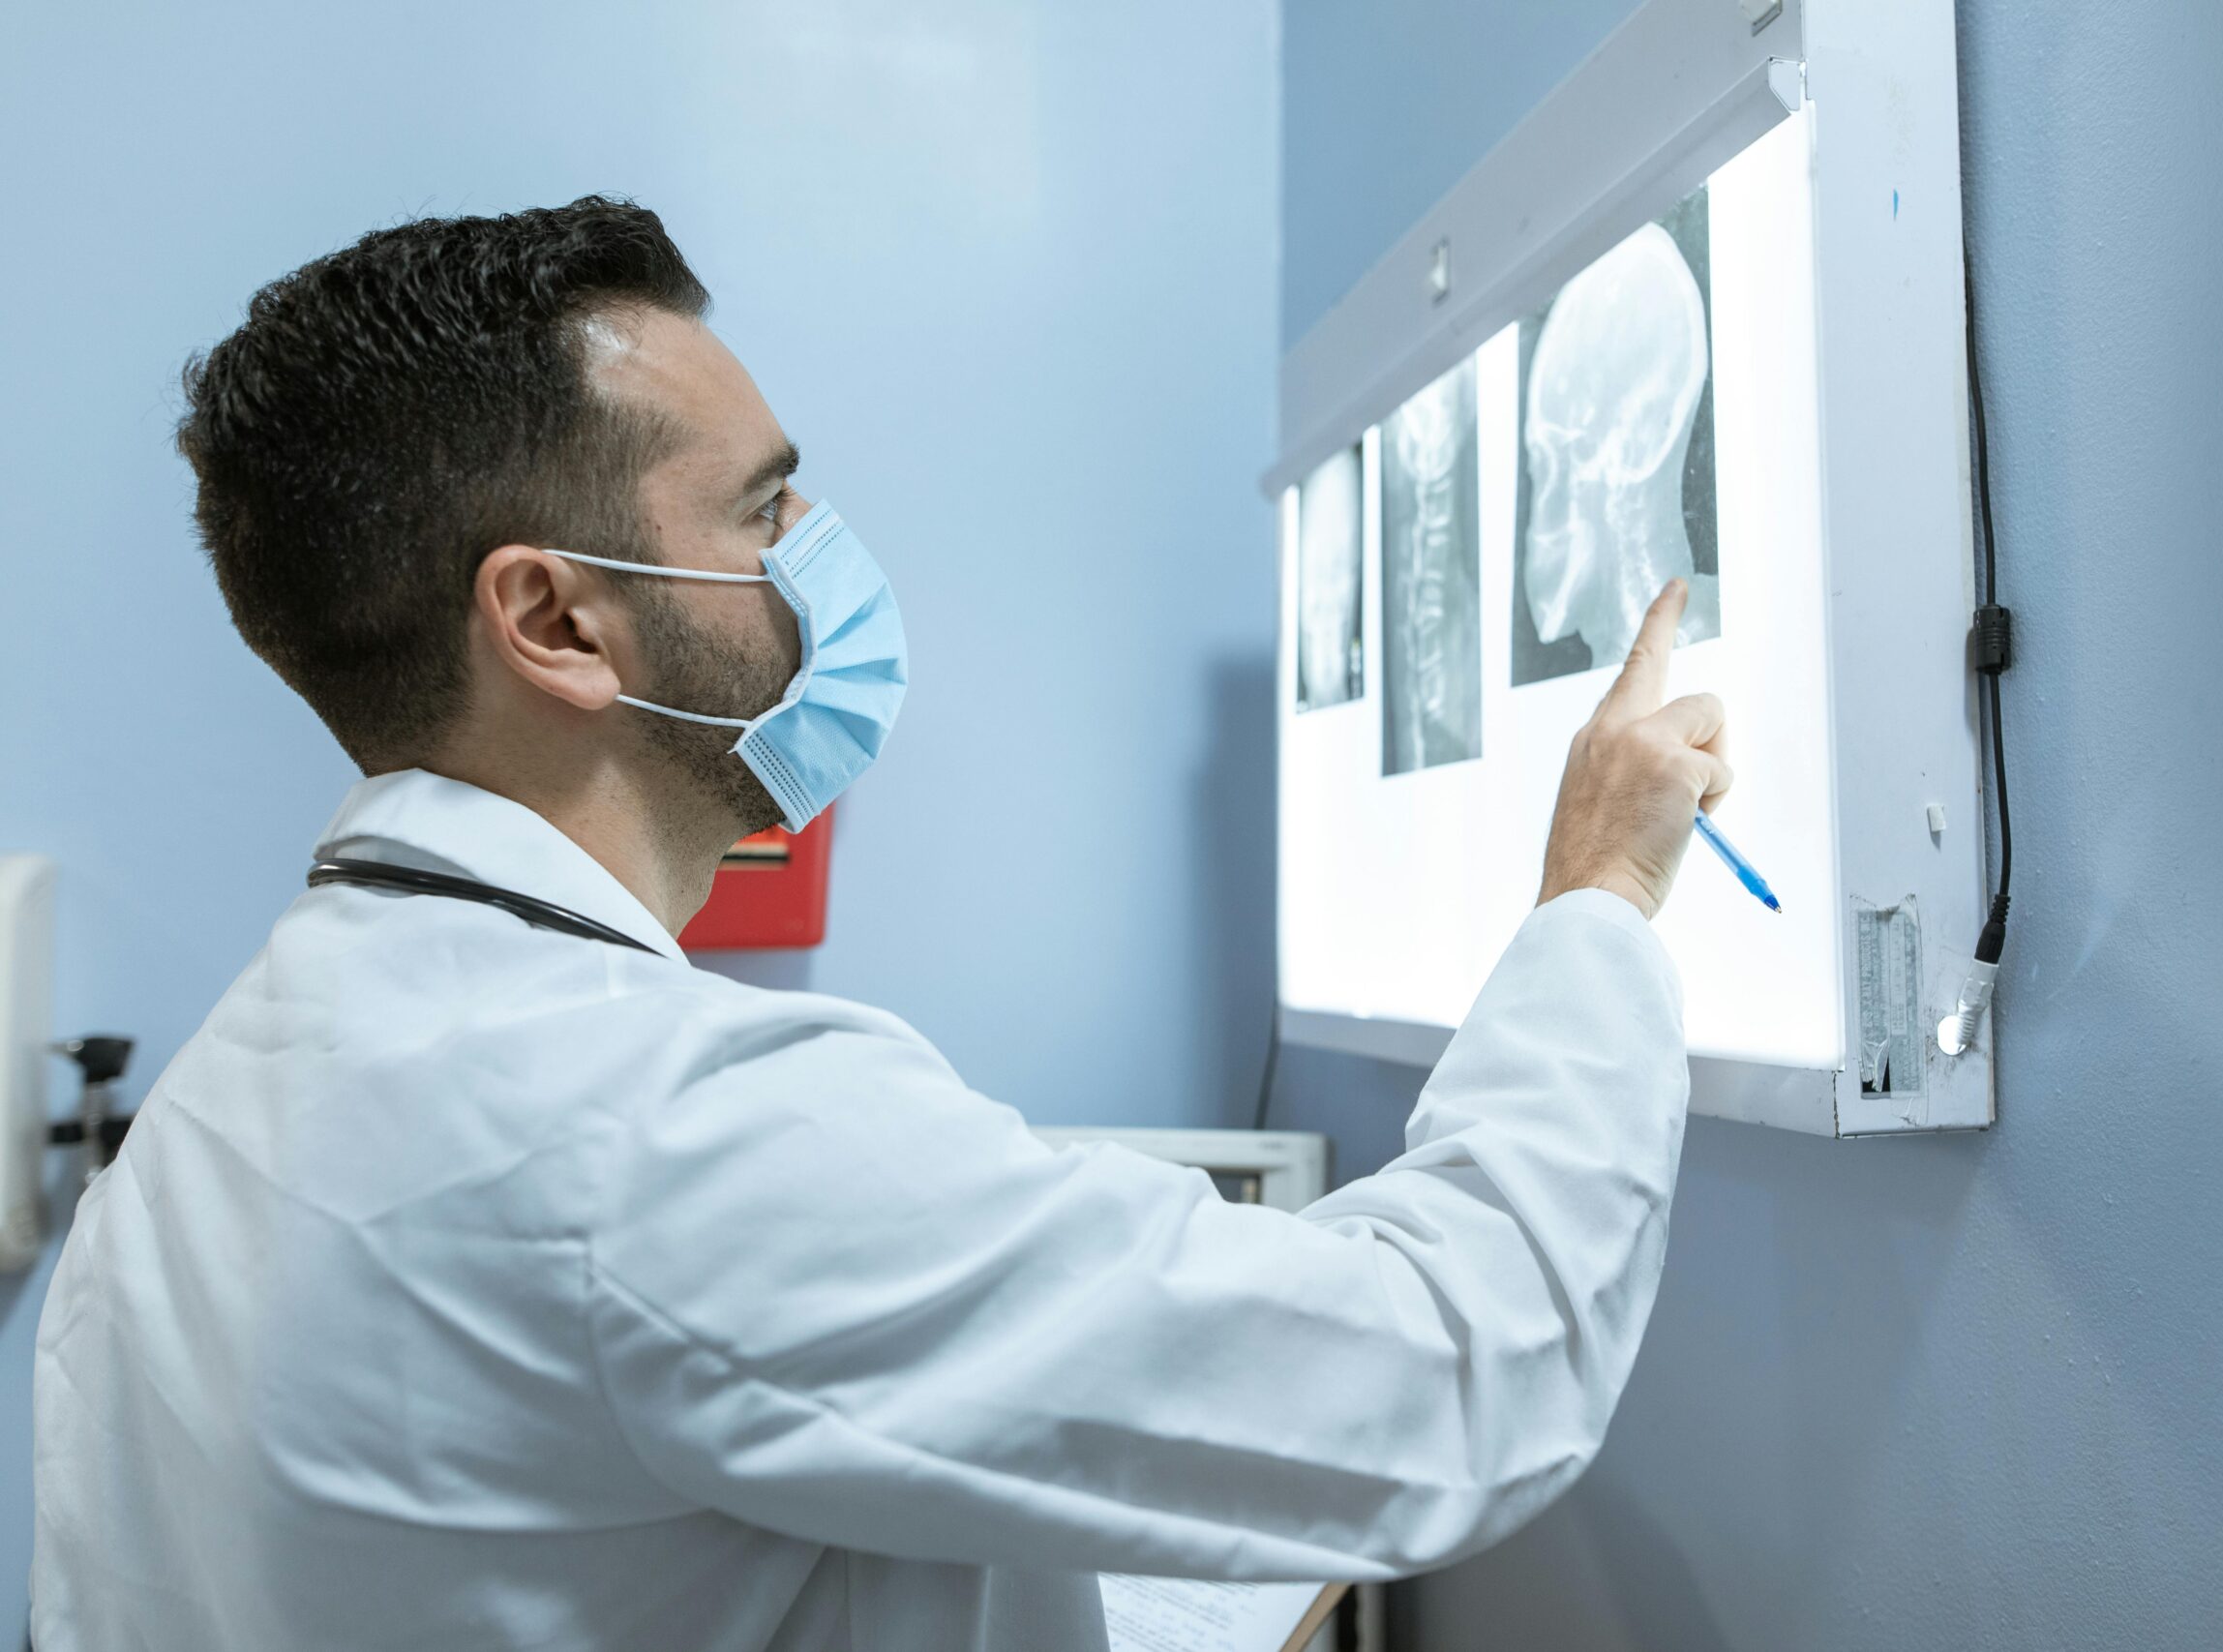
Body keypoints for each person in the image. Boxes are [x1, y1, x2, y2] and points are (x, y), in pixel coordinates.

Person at [31, 197, 1730, 1651]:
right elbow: (1454, 1366)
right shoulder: (657, 1134)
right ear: (557, 619)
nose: (822, 560)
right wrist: (1599, 896)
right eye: (766, 511)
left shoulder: (188, 1146)